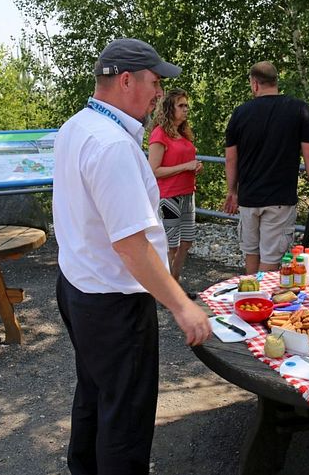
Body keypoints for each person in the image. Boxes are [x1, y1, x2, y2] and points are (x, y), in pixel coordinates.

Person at [52, 38, 212, 475]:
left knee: (95, 390)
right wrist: (182, 305)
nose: (160, 93)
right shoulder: (113, 146)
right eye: (155, 82)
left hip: (78, 287)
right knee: (126, 415)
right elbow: (131, 245)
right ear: (126, 80)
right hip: (114, 303)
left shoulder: (76, 126)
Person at [223, 61, 309, 275]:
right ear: (275, 82)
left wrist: (232, 192)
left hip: (249, 198)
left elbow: (230, 159)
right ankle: (260, 302)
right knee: (271, 258)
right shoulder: (298, 109)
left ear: (254, 84)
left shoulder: (240, 113)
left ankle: (250, 300)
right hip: (280, 199)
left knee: (251, 253)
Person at [147, 88, 202, 298]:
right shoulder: (159, 133)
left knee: (186, 242)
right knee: (170, 246)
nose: (186, 109)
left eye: (186, 105)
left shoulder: (183, 133)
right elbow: (153, 170)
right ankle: (166, 292)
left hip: (188, 194)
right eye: (181, 105)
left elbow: (184, 162)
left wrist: (194, 166)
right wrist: (186, 166)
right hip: (169, 197)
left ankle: (175, 285)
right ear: (170, 108)